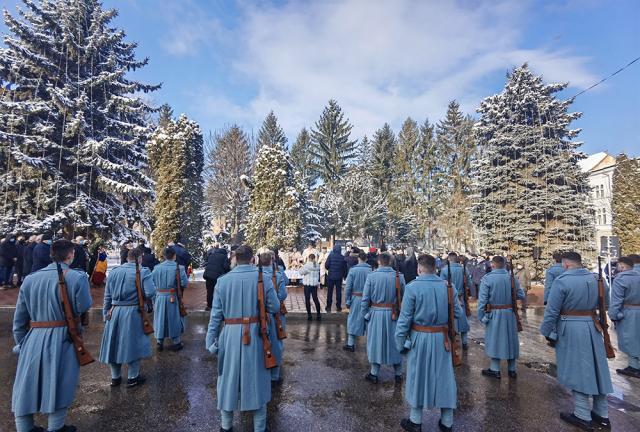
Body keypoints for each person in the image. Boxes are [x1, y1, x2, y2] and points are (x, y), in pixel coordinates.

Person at [12, 239, 92, 432]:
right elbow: (83, 306)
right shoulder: (76, 277)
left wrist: (21, 343)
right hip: (63, 336)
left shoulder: (30, 279)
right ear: (70, 255)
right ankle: (56, 428)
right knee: (60, 384)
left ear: (51, 254)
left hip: (33, 337)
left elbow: (19, 319)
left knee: (26, 385)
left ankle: (25, 428)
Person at [205, 245, 280, 432]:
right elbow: (275, 307)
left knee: (228, 379)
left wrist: (210, 341)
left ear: (234, 259)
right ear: (252, 259)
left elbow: (215, 316)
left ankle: (226, 426)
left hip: (230, 335)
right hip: (256, 334)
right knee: (257, 379)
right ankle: (259, 427)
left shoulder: (222, 281)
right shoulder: (262, 279)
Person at [540, 252, 613, 431]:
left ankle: (582, 414)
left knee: (577, 369)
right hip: (593, 327)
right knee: (597, 369)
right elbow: (607, 304)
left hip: (570, 329)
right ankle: (602, 414)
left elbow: (552, 311)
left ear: (565, 265)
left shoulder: (562, 281)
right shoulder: (598, 280)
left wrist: (545, 331)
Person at [395, 254, 462, 432]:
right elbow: (459, 315)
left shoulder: (412, 288)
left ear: (419, 268)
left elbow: (404, 320)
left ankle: (415, 421)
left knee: (418, 377)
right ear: (435, 268)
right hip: (443, 339)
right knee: (445, 379)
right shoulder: (449, 287)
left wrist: (400, 343)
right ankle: (447, 422)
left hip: (420, 338)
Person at [99, 247, 156, 387]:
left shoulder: (114, 272)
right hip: (133, 312)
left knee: (114, 344)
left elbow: (107, 296)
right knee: (133, 344)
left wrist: (105, 314)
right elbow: (150, 292)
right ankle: (132, 377)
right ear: (140, 258)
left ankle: (115, 377)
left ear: (126, 258)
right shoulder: (143, 272)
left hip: (114, 311)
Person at [361, 252, 406, 384]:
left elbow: (365, 299)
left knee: (375, 342)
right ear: (391, 262)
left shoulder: (372, 276)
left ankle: (374, 373)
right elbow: (404, 296)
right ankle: (398, 373)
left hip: (376, 313)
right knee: (395, 342)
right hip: (394, 314)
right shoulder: (399, 277)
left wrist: (365, 314)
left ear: (379, 262)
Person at [477, 256, 525, 379]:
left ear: (493, 265)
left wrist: (481, 317)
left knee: (495, 340)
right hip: (510, 313)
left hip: (494, 313)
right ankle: (512, 369)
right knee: (510, 341)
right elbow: (520, 294)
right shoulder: (512, 277)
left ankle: (495, 369)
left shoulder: (487, 279)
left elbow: (482, 301)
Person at [152, 246, 189, 352]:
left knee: (160, 318)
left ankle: (159, 341)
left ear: (164, 256)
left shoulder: (157, 268)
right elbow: (185, 284)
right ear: (175, 256)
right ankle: (176, 341)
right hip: (173, 296)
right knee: (174, 319)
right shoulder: (179, 268)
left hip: (159, 297)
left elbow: (151, 282)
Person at [609, 256, 640, 378]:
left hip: (628, 312)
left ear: (622, 266)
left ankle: (633, 367)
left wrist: (614, 315)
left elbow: (616, 300)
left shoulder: (620, 279)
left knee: (629, 339)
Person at [261, 251, 288, 386]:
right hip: (275, 315)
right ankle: (274, 376)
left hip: (260, 315)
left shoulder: (257, 276)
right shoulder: (277, 275)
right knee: (276, 344)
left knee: (262, 343)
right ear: (272, 261)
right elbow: (283, 294)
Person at [439, 252, 471, 350]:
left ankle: (452, 342)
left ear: (449, 259)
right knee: (463, 320)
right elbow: (469, 283)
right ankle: (464, 342)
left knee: (450, 321)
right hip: (461, 297)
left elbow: (441, 286)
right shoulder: (464, 269)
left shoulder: (444, 270)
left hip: (449, 298)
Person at [343, 252, 371, 351]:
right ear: (366, 259)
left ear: (358, 259)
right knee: (368, 321)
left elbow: (348, 287)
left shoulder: (353, 270)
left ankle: (351, 344)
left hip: (355, 298)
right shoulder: (371, 270)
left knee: (352, 320)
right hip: (368, 299)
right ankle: (370, 345)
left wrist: (347, 300)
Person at [204, 244, 231, 311]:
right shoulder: (224, 257)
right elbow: (226, 267)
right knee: (218, 291)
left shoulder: (212, 255)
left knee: (209, 291)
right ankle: (219, 306)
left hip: (207, 275)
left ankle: (209, 306)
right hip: (216, 277)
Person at [324, 245, 347, 312]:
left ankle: (328, 306)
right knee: (338, 292)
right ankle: (338, 306)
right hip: (339, 277)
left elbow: (326, 265)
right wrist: (344, 275)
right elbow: (345, 268)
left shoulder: (330, 256)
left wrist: (329, 269)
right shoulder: (343, 257)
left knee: (329, 292)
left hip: (331, 276)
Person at [299, 253, 322, 321]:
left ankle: (309, 315)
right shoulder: (317, 265)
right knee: (315, 299)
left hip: (308, 284)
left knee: (307, 299)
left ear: (309, 258)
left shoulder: (307, 265)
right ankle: (318, 314)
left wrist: (301, 265)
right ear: (314, 258)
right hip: (314, 284)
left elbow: (301, 272)